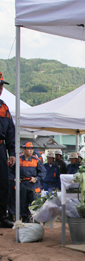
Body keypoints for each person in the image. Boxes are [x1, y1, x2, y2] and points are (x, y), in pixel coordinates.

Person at [11, 142, 45, 222]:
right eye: (28, 149)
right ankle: (25, 220)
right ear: (24, 150)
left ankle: (36, 221)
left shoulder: (36, 160)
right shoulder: (18, 160)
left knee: (35, 203)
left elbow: (43, 172)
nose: (30, 151)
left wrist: (36, 178)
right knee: (22, 203)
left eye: (31, 149)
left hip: (33, 184)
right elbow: (10, 171)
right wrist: (14, 178)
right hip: (22, 184)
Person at [0, 72, 15, 228]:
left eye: (1, 85)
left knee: (4, 183)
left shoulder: (4, 107)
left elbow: (11, 131)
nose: (0, 88)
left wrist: (12, 153)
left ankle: (2, 216)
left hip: (1, 147)